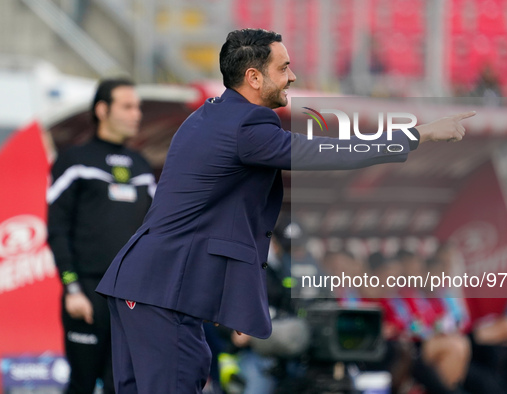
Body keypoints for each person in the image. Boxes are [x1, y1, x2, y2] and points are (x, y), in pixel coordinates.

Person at [96, 28, 475, 393]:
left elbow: (211, 222)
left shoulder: (211, 115)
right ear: (253, 77)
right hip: (163, 291)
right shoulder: (249, 123)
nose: (292, 77)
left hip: (141, 285)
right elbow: (332, 153)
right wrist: (418, 133)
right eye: (283, 68)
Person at [47, 78, 155, 394]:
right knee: (82, 384)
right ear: (102, 110)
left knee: (121, 386)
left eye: (138, 107)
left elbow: (155, 233)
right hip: (87, 295)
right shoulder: (74, 161)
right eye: (128, 106)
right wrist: (72, 288)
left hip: (131, 300)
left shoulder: (142, 166)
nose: (136, 114)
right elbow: (56, 229)